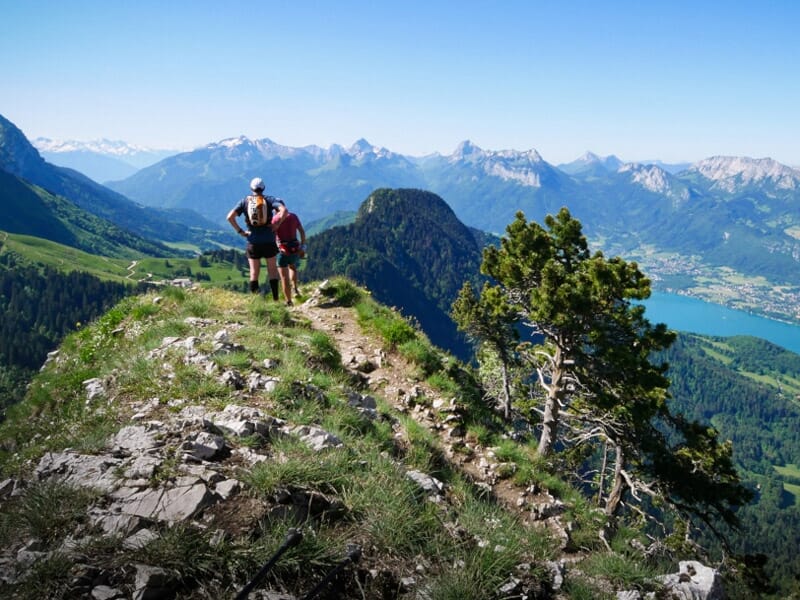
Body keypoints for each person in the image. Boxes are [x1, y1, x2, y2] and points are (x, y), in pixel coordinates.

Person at [226, 177, 288, 299]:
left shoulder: (244, 201)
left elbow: (230, 217)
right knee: (272, 271)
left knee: (254, 273)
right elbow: (284, 210)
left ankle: (256, 301)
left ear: (251, 189)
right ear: (263, 188)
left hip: (253, 242)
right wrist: (277, 225)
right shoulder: (269, 200)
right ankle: (275, 299)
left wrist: (241, 231)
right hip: (269, 241)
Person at [272, 209, 306, 306]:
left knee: (283, 277)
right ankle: (295, 288)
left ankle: (289, 301)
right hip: (294, 248)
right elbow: (302, 232)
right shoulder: (293, 216)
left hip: (282, 250)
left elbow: (272, 236)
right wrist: (303, 247)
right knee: (292, 266)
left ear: (276, 209)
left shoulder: (275, 219)